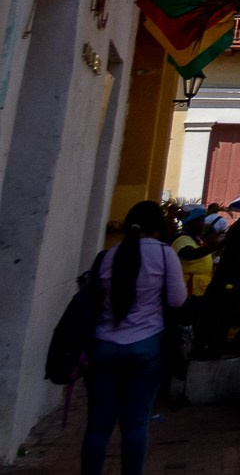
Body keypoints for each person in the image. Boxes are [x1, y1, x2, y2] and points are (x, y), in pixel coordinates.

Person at [81, 202, 185, 475]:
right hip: (145, 344)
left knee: (98, 425)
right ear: (158, 226)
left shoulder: (109, 255)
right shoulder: (163, 254)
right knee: (136, 423)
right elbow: (177, 300)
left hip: (104, 344)